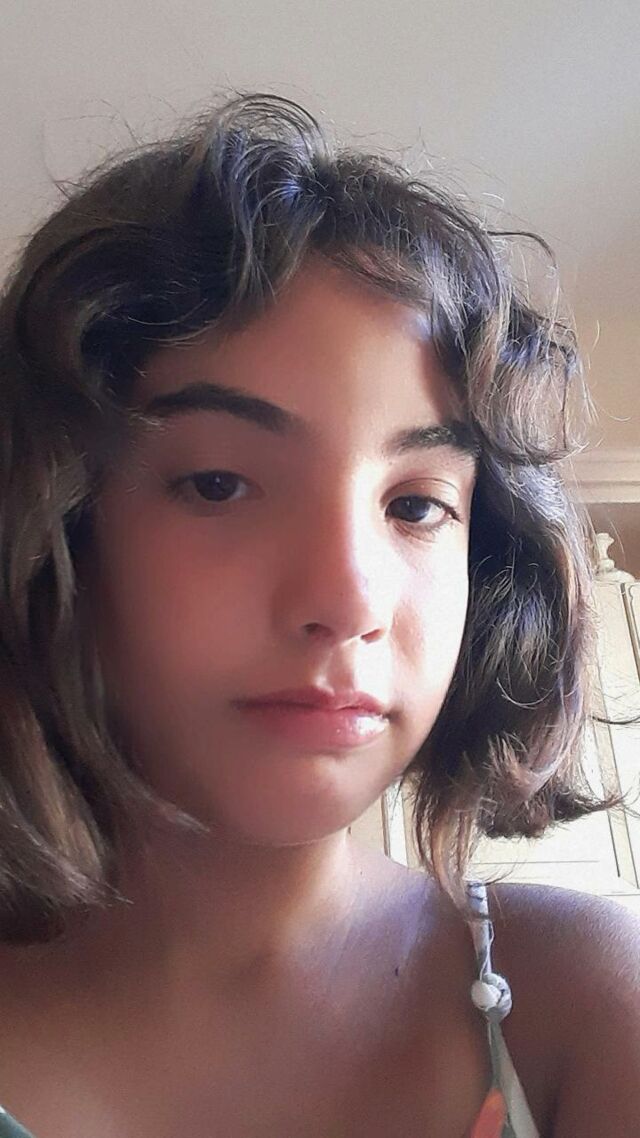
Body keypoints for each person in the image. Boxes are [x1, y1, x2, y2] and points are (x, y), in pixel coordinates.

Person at [0, 92, 637, 1138]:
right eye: (217, 484)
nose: (349, 600)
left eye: (416, 505)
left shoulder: (583, 1006)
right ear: (52, 528)